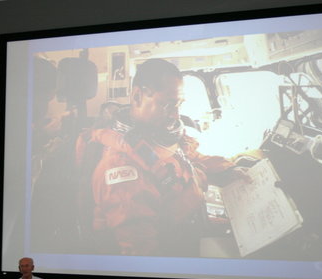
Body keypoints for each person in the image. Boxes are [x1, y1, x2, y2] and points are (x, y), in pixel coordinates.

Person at [76, 58, 247, 257]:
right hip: (174, 247)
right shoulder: (121, 167)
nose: (176, 115)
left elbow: (189, 158)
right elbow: (142, 254)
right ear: (138, 96)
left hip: (192, 222)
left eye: (179, 104)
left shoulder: (158, 138)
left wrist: (228, 169)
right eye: (168, 105)